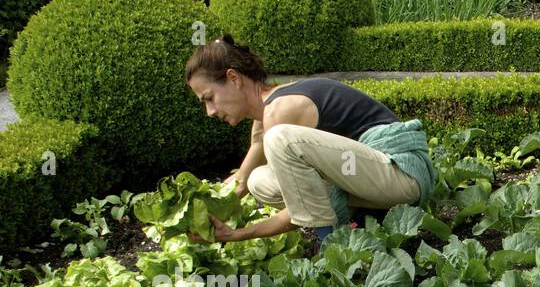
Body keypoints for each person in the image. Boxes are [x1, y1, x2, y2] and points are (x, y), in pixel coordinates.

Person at [183, 34, 436, 249]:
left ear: (234, 78)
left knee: (280, 142)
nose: (210, 111)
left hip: (402, 175)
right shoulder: (265, 117)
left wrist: (237, 235)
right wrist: (196, 212)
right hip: (371, 179)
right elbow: (240, 184)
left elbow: (299, 206)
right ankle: (367, 218)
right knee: (259, 181)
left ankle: (331, 248)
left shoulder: (279, 113)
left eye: (210, 98)